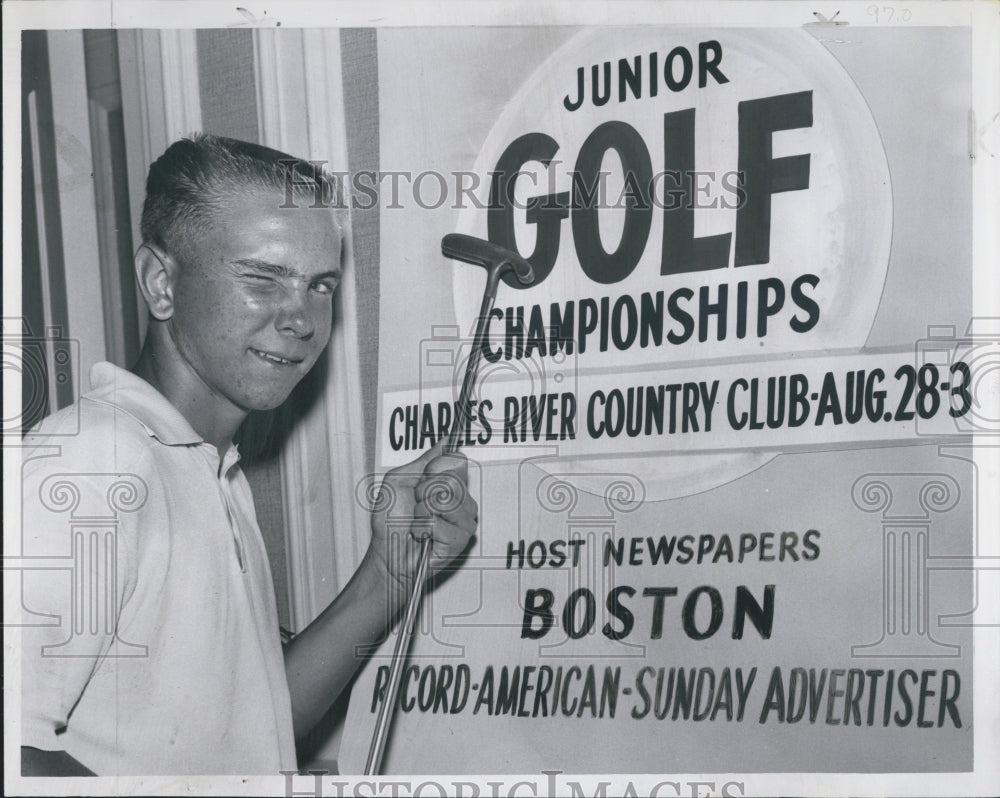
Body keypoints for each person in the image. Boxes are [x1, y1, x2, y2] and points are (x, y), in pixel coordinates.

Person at [19, 134, 477, 776]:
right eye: (264, 278)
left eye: (321, 285)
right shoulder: (93, 463)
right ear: (161, 283)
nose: (303, 318)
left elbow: (257, 731)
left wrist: (389, 574)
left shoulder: (209, 467)